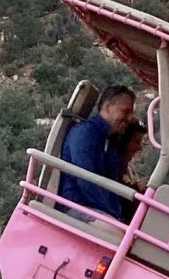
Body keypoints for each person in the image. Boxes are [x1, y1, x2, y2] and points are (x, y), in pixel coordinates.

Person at [58, 84, 140, 216]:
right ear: (107, 107)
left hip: (96, 210)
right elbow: (85, 180)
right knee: (118, 236)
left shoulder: (110, 140)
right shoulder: (84, 134)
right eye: (125, 112)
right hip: (76, 206)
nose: (129, 118)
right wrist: (111, 214)